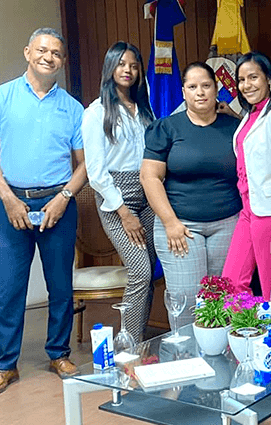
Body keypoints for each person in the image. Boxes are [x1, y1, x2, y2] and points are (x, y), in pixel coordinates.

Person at [0, 28, 86, 396]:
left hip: (58, 203)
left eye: (56, 52)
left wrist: (64, 197)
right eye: (42, 50)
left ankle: (59, 354)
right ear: (27, 52)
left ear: (62, 60)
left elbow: (84, 165)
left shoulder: (73, 108)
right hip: (12, 204)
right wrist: (8, 198)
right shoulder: (0, 97)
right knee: (10, 287)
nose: (48, 57)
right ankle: (6, 365)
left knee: (60, 286)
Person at [140, 62, 242, 328]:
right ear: (183, 91)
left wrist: (237, 117)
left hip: (228, 223)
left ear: (216, 89)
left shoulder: (234, 128)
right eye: (192, 86)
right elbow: (149, 177)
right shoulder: (166, 128)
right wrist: (170, 222)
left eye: (206, 85)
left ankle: (219, 362)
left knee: (222, 299)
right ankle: (186, 361)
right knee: (186, 299)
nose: (200, 92)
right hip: (180, 227)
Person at [82, 42, 156, 343]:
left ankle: (140, 340)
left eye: (134, 65)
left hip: (149, 191)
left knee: (151, 271)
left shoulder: (143, 108)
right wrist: (123, 212)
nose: (128, 70)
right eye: (122, 64)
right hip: (117, 197)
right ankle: (128, 346)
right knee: (139, 271)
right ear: (110, 67)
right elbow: (95, 172)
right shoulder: (96, 112)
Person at [221, 52, 271, 303]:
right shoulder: (249, 116)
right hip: (248, 212)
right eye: (241, 80)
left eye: (253, 77)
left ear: (269, 80)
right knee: (232, 284)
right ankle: (248, 339)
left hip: (270, 215)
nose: (246, 85)